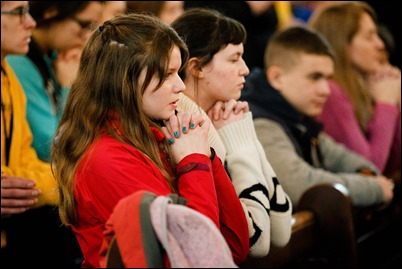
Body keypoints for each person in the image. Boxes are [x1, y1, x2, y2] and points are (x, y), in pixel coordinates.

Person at [51, 13, 249, 268]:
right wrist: (194, 163)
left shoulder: (163, 137)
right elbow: (196, 258)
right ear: (124, 80)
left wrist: (206, 157)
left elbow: (235, 246)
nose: (179, 86)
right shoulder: (106, 159)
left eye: (178, 72)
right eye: (166, 75)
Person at [171, 8, 292, 257]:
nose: (246, 69)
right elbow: (257, 241)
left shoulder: (226, 119)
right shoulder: (181, 131)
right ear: (197, 67)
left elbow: (281, 230)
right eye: (234, 58)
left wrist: (243, 134)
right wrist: (241, 148)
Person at [241, 25, 395, 209]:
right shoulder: (260, 122)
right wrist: (373, 189)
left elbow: (342, 157)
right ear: (277, 77)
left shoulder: (296, 117)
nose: (326, 90)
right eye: (315, 77)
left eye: (327, 78)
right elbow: (299, 185)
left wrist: (368, 175)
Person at [1, 1, 70, 267]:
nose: (31, 21)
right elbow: (51, 146)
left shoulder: (9, 79)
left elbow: (24, 159)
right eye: (18, 12)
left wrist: (69, 180)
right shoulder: (20, 69)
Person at [308, 2, 401, 179]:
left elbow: (392, 163)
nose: (380, 44)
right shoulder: (331, 93)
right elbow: (369, 169)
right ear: (343, 43)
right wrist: (386, 105)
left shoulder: (364, 87)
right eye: (369, 37)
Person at [6, 1, 104, 162]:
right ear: (52, 11)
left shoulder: (53, 57)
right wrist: (70, 88)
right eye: (84, 25)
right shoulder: (18, 62)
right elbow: (51, 149)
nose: (87, 36)